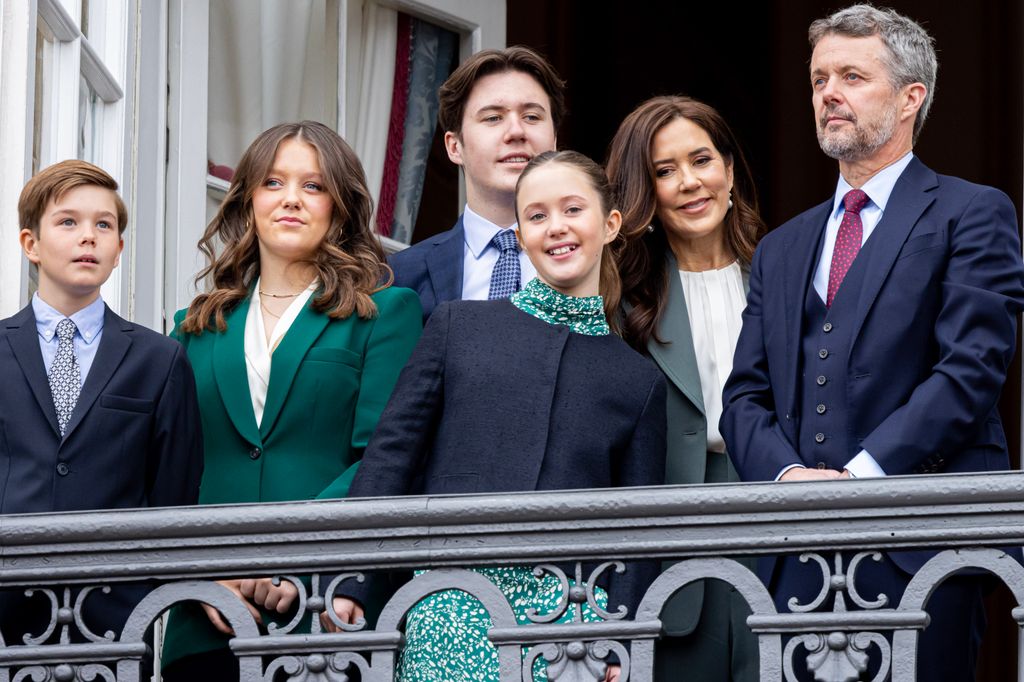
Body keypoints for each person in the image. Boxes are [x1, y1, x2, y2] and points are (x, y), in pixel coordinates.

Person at [720, 5, 1024, 680]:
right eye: (819, 77)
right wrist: (791, 480)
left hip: (920, 551)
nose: (829, 92)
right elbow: (743, 396)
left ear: (911, 96)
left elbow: (971, 371)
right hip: (793, 558)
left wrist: (858, 480)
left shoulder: (971, 213)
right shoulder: (780, 247)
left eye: (852, 76)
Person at [327, 150, 667, 682]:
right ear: (521, 232)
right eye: (536, 215)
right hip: (451, 604)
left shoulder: (637, 380)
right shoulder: (458, 326)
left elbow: (638, 531)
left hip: (572, 622)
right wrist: (353, 579)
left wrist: (620, 637)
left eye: (573, 209)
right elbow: (391, 458)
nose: (556, 227)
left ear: (610, 224)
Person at [160, 121, 422, 680]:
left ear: (339, 206)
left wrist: (292, 558)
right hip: (207, 618)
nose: (291, 200)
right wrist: (210, 571)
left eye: (314, 185)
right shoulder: (193, 328)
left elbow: (381, 459)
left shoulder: (384, 313)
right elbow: (172, 476)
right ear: (249, 197)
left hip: (326, 610)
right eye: (274, 183)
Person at [0, 159, 203, 642]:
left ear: (118, 250)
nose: (88, 236)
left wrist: (143, 595)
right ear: (31, 243)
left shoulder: (161, 359)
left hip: (116, 619)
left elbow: (174, 495)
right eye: (68, 221)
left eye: (104, 225)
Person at [606, 95, 764, 681]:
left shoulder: (786, 270)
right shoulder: (620, 301)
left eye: (701, 160)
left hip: (777, 535)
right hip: (667, 558)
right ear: (642, 193)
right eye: (664, 171)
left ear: (728, 166)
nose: (689, 183)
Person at [389, 46, 564, 321]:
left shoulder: (603, 264)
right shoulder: (399, 276)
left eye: (531, 116)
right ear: (455, 146)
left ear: (554, 141)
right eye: (493, 117)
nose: (516, 131)